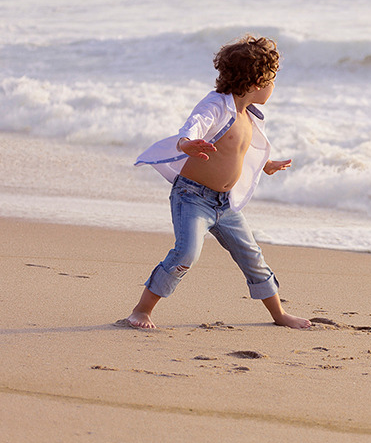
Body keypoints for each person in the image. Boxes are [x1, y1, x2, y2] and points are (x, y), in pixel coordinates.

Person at [127, 35, 311, 330]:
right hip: (192, 197)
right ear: (255, 83)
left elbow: (236, 150)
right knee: (186, 253)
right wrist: (186, 143)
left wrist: (266, 165)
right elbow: (196, 122)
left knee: (252, 256)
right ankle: (142, 310)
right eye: (271, 80)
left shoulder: (249, 115)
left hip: (225, 205)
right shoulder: (216, 104)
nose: (273, 86)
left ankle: (279, 314)